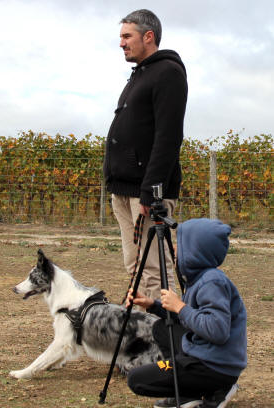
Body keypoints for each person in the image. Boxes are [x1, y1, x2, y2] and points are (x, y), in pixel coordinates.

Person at [103, 9, 188, 300]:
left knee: (153, 268)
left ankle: (161, 337)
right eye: (121, 37)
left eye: (127, 36)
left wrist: (152, 191)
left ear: (148, 36)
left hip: (147, 192)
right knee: (134, 266)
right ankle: (142, 333)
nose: (121, 43)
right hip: (124, 190)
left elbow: (169, 137)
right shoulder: (140, 75)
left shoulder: (168, 73)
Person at [126, 218, 247, 408]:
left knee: (136, 379)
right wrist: (153, 305)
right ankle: (188, 394)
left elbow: (217, 330)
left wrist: (180, 307)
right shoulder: (199, 278)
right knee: (161, 328)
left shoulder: (212, 282)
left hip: (214, 366)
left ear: (196, 250)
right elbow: (189, 319)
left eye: (180, 243)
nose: (174, 248)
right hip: (205, 355)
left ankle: (216, 390)